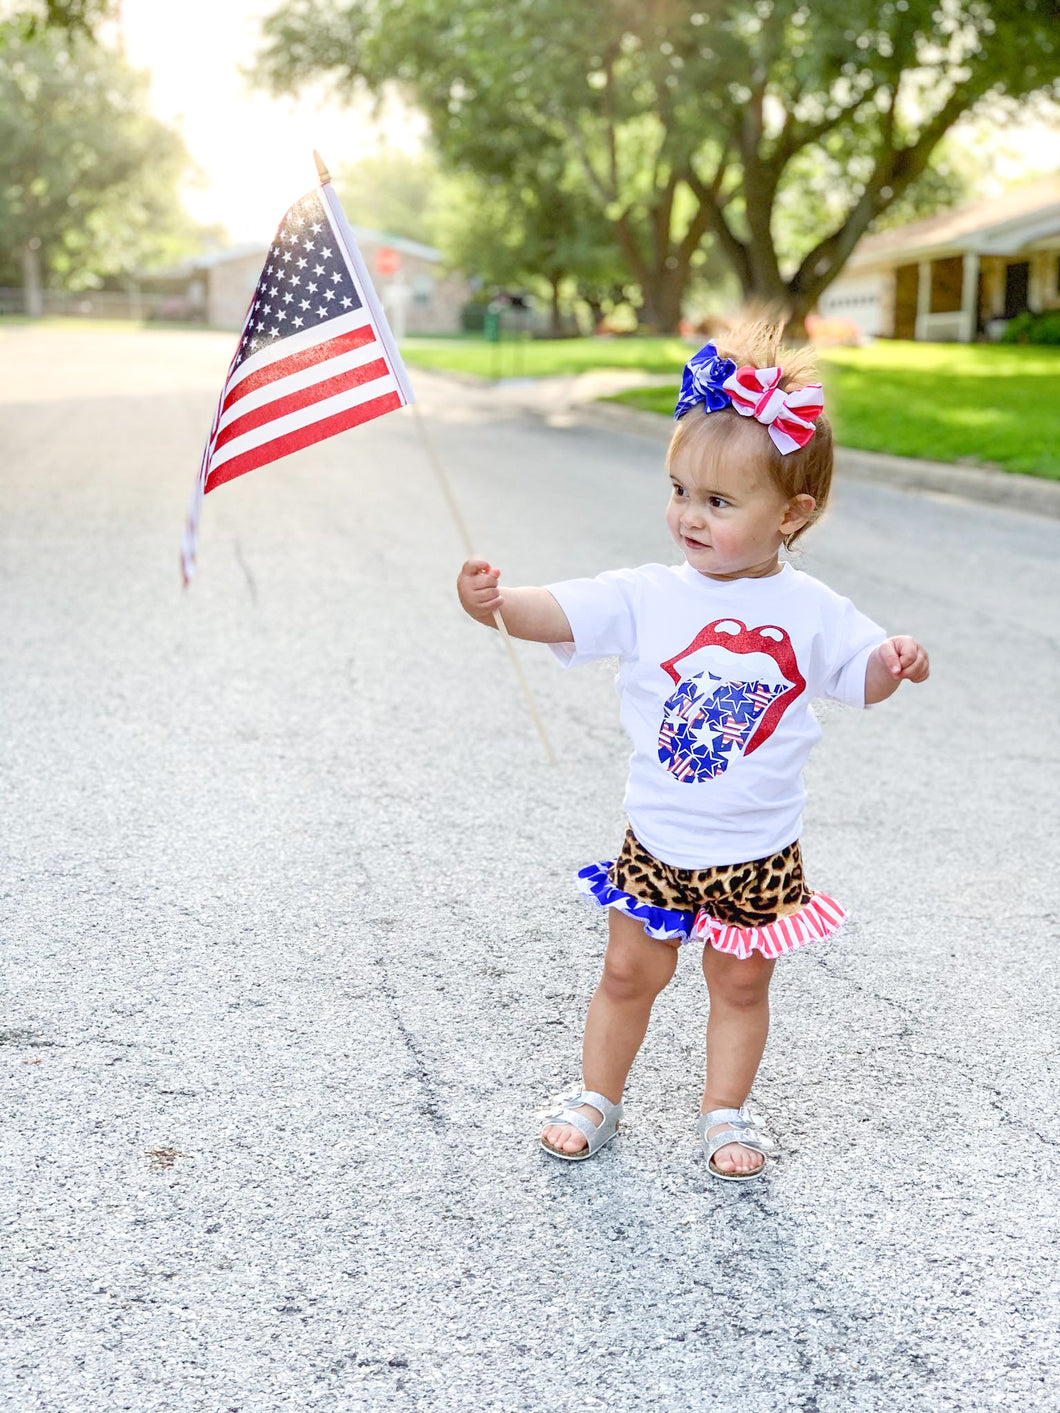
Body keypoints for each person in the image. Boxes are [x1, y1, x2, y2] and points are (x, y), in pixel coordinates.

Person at [456, 323, 929, 1180]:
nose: (687, 516)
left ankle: (725, 1111)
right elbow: (558, 612)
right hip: (658, 841)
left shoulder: (814, 607)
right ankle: (597, 1093)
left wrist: (892, 662)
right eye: (679, 490)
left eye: (717, 502)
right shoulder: (646, 595)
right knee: (628, 970)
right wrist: (493, 601)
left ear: (791, 514)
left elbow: (860, 678)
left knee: (742, 986)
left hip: (757, 850)